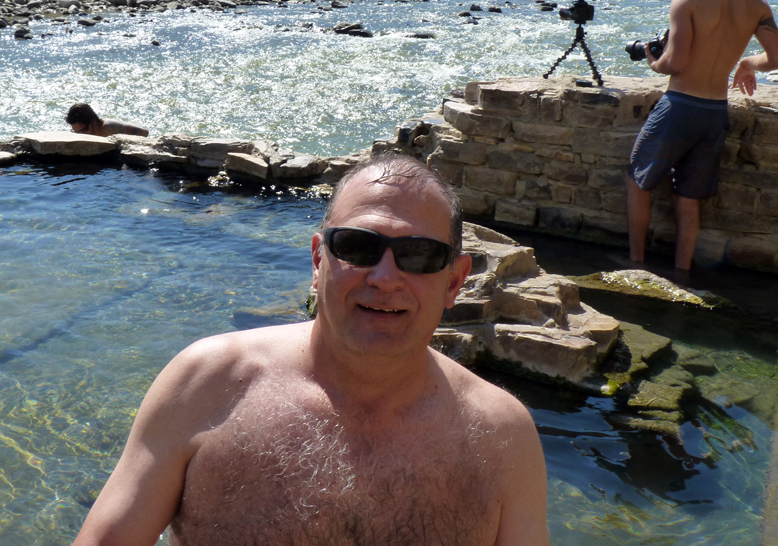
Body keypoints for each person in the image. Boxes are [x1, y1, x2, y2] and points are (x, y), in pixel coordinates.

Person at [72, 153, 550, 546]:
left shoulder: (501, 436)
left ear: (454, 281)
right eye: (359, 247)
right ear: (319, 260)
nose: (385, 278)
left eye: (419, 255)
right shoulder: (209, 382)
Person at [627, 0, 778, 273]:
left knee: (637, 180)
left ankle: (635, 266)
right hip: (715, 112)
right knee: (688, 198)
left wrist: (653, 60)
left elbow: (677, 62)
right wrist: (748, 63)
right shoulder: (755, 2)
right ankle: (681, 274)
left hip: (679, 107)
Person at [65, 103, 149, 137]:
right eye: (77, 132)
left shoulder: (109, 127)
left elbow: (144, 131)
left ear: (93, 122)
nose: (81, 134)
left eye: (83, 130)